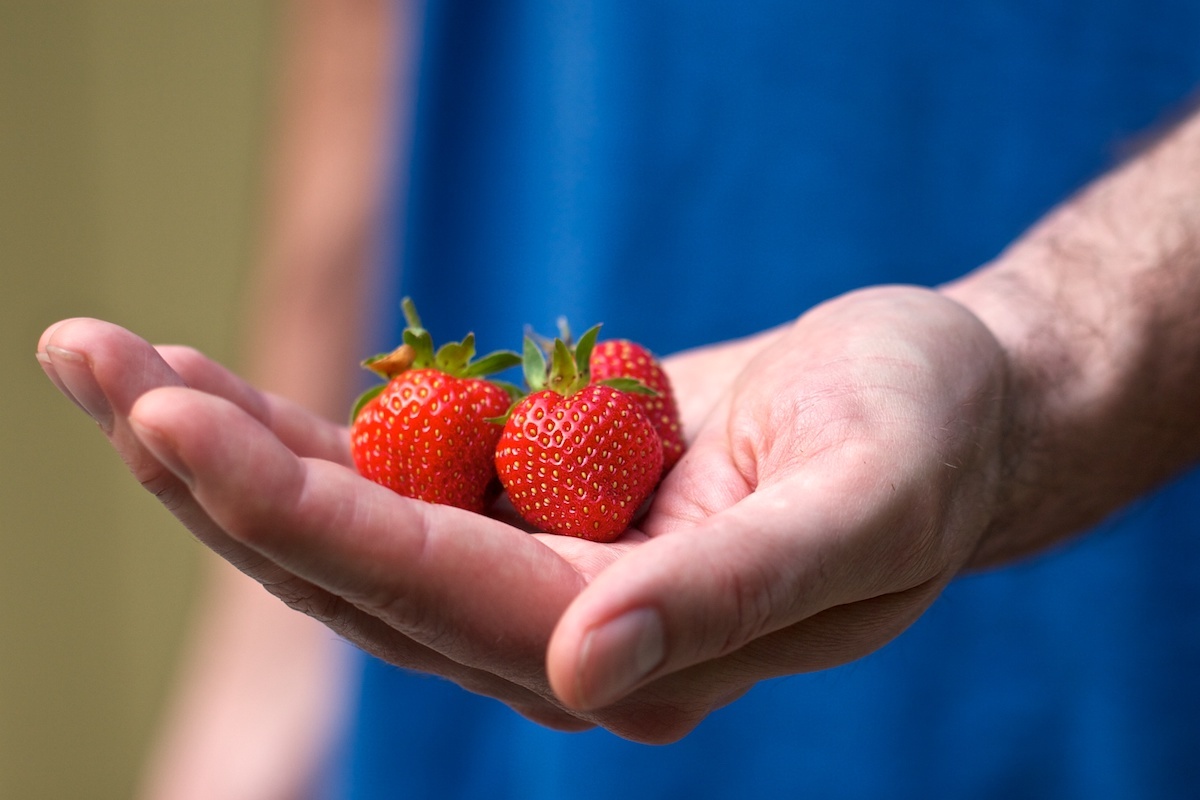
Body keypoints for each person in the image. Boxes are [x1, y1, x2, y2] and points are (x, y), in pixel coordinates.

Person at [37, 0, 1200, 797]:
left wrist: (1064, 342)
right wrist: (270, 658)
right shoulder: (503, 415)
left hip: (1121, 568)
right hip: (467, 654)